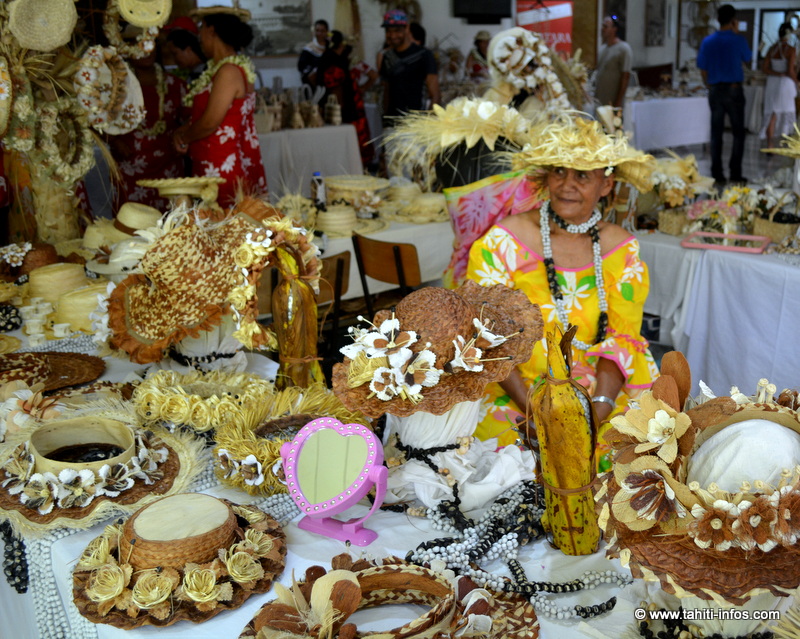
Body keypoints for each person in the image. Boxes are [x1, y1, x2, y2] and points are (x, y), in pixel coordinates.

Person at [464, 114, 658, 470]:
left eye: (583, 175)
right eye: (559, 172)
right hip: (517, 386)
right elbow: (484, 339)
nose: (568, 184)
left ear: (605, 184)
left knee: (631, 452)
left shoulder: (622, 250)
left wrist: (596, 413)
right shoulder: (502, 243)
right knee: (505, 458)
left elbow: (623, 338)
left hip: (601, 386)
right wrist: (532, 415)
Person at [173, 9, 267, 209]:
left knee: (222, 224)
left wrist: (184, 138)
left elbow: (210, 123)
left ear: (211, 30)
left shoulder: (228, 71)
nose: (198, 36)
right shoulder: (222, 69)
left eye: (201, 28)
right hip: (214, 162)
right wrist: (185, 129)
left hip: (220, 166)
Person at [111, 46, 187, 211]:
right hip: (130, 166)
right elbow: (98, 119)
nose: (146, 52)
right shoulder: (116, 87)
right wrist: (114, 140)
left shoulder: (175, 84)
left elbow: (191, 119)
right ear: (127, 51)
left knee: (171, 221)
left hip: (168, 167)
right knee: (132, 220)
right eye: (139, 46)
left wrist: (183, 135)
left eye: (150, 46)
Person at [697, 4, 752, 185]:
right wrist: (735, 32)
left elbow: (703, 69)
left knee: (716, 133)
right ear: (733, 20)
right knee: (738, 133)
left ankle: (717, 173)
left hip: (715, 90)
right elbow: (748, 58)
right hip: (734, 89)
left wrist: (709, 84)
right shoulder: (738, 40)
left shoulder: (708, 41)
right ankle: (735, 172)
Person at [318, 31, 374, 166]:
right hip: (346, 112)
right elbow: (336, 92)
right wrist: (339, 114)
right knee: (352, 145)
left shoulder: (330, 58)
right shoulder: (333, 62)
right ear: (340, 45)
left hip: (350, 108)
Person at [379, 9, 440, 128]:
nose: (392, 35)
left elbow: (435, 95)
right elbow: (386, 91)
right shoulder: (387, 57)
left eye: (397, 31)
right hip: (392, 125)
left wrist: (427, 125)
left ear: (407, 29)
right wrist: (385, 119)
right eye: (388, 31)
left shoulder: (424, 55)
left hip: (415, 125)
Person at [761, 22, 799, 148]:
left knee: (773, 112)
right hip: (784, 83)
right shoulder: (790, 50)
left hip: (772, 82)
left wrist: (776, 73)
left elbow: (765, 68)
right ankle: (788, 143)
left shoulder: (771, 49)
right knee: (787, 113)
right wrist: (797, 82)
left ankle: (770, 143)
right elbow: (790, 71)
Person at [594, 16, 632, 108]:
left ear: (614, 29)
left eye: (606, 26)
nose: (602, 29)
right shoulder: (602, 49)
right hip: (600, 101)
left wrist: (618, 103)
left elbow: (625, 76)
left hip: (613, 102)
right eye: (602, 26)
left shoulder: (624, 49)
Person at [298, 19, 329, 87]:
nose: (319, 33)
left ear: (327, 31)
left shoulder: (330, 47)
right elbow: (302, 67)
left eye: (322, 31)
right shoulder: (308, 49)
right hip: (314, 85)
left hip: (329, 84)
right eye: (317, 30)